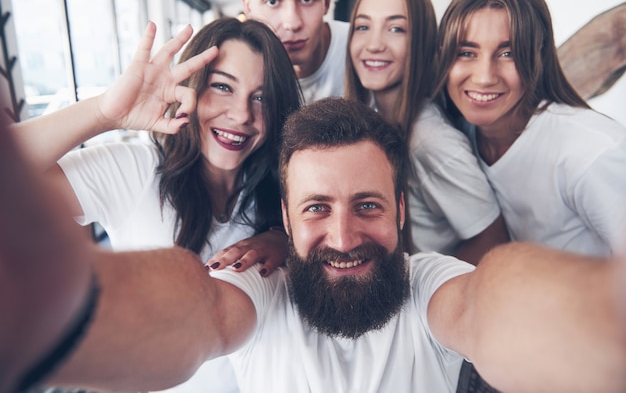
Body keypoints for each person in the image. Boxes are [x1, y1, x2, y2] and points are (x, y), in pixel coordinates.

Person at [42, 97, 626, 393]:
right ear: (286, 224)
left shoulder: (428, 284)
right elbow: (200, 309)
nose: (344, 238)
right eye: (317, 208)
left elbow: (489, 306)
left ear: (399, 211)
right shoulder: (258, 289)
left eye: (367, 206)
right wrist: (39, 314)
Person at [12, 17, 302, 393]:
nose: (242, 114)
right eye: (222, 87)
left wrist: (284, 241)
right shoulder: (136, 170)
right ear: (192, 88)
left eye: (261, 97)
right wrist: (103, 113)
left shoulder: (284, 190)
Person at [434, 0, 626, 257]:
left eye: (508, 53)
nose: (484, 77)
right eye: (466, 52)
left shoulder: (592, 151)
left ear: (539, 55)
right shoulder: (454, 137)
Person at [345, 0, 509, 265]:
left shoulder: (429, 138)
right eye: (363, 26)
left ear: (421, 40)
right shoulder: (374, 115)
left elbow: (493, 238)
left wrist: (421, 291)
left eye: (396, 28)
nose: (373, 44)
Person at [241, 0, 349, 104]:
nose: (292, 24)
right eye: (272, 1)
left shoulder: (362, 46)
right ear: (248, 6)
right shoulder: (237, 69)